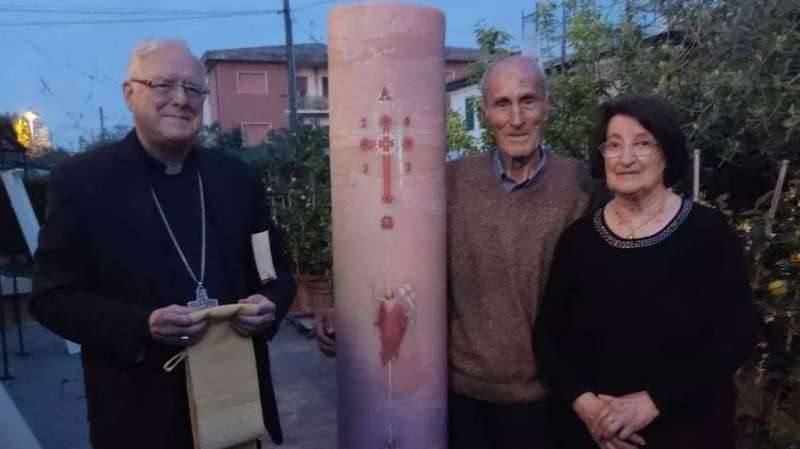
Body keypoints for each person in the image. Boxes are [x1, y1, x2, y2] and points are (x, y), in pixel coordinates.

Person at [316, 55, 603, 449]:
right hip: (465, 402)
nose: (516, 118)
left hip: (553, 402)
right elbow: (393, 250)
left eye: (528, 100)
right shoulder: (449, 182)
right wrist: (344, 308)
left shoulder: (582, 185)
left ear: (547, 106)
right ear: (484, 114)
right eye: (502, 104)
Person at [30, 39, 295, 449]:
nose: (181, 99)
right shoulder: (82, 182)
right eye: (164, 85)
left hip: (233, 405)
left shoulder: (237, 180)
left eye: (193, 89)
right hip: (137, 413)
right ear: (130, 93)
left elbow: (273, 272)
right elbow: (52, 297)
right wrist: (141, 326)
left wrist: (269, 305)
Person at [534, 95, 759, 449]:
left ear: (665, 152)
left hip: (688, 432)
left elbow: (738, 334)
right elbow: (548, 339)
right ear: (601, 156)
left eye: (642, 144)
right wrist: (589, 409)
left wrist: (652, 401)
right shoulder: (578, 241)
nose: (626, 159)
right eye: (613, 145)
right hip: (592, 435)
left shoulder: (707, 233)